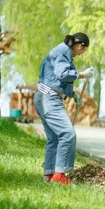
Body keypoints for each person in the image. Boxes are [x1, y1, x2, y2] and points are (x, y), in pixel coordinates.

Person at [33, 32, 94, 185]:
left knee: (54, 138)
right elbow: (62, 74)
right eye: (83, 51)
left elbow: (54, 78)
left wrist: (73, 94)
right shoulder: (64, 51)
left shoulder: (61, 51)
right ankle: (60, 176)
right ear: (80, 46)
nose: (81, 54)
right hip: (50, 99)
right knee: (68, 134)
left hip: (41, 96)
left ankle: (49, 174)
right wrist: (81, 74)